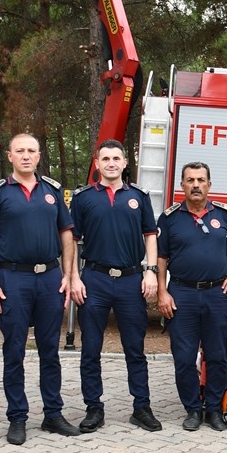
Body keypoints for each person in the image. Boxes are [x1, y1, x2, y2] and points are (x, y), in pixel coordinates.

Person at [0, 133, 83, 446]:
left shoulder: (51, 190)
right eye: (20, 151)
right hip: (13, 280)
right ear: (9, 156)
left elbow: (67, 234)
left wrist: (68, 274)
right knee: (15, 351)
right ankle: (17, 417)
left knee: (50, 350)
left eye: (31, 151)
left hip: (49, 278)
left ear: (39, 156)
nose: (26, 156)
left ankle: (53, 414)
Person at [70, 140, 162, 433]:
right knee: (91, 348)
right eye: (105, 158)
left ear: (125, 163)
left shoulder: (139, 197)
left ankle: (141, 407)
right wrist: (73, 276)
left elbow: (150, 235)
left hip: (131, 280)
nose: (111, 163)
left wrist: (151, 272)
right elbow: (71, 241)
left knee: (135, 348)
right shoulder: (83, 198)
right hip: (94, 280)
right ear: (97, 164)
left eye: (116, 158)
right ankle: (94, 408)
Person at [156, 162, 227, 432]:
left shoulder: (224, 213)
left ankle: (214, 410)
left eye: (200, 180)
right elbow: (161, 257)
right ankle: (193, 410)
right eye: (190, 180)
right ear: (182, 186)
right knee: (184, 357)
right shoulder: (170, 218)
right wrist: (162, 292)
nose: (195, 185)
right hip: (182, 294)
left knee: (217, 355)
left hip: (216, 293)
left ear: (209, 184)